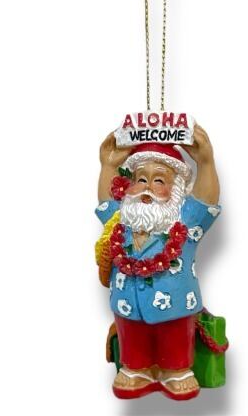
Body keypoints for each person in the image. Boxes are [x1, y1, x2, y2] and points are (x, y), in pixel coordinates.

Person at [95, 125, 221, 400]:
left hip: (175, 306)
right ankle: (136, 368)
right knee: (132, 337)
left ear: (175, 192)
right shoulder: (121, 222)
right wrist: (109, 165)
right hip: (127, 305)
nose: (148, 187)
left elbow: (206, 202)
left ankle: (176, 370)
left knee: (174, 336)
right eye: (141, 179)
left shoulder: (184, 222)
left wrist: (206, 162)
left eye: (159, 181)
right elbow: (106, 204)